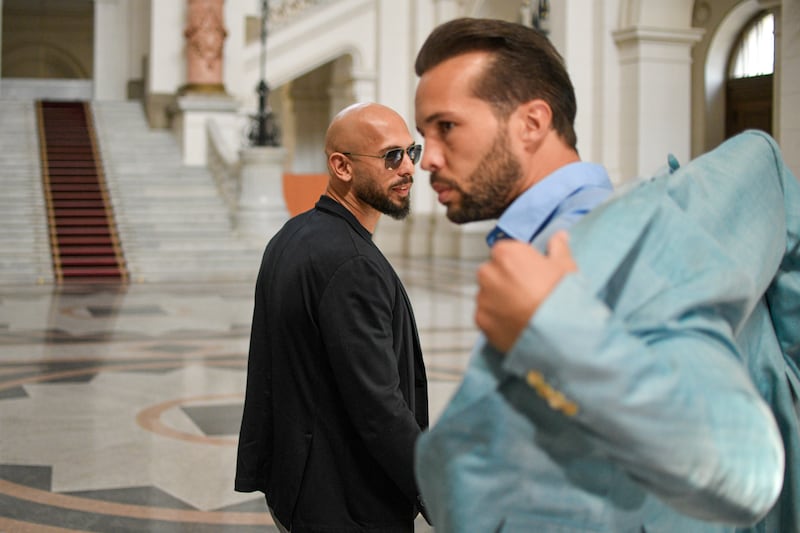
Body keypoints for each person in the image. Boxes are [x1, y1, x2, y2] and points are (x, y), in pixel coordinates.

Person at [413, 19, 799, 533]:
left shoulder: (631, 242)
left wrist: (552, 329)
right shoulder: (549, 241)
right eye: (423, 135)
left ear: (532, 123)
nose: (427, 159)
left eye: (446, 127)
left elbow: (742, 467)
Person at [235, 102, 430, 533]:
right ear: (341, 166)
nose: (409, 169)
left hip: (299, 485)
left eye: (410, 153)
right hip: (346, 501)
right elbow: (379, 408)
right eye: (390, 156)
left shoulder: (292, 234)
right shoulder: (352, 263)